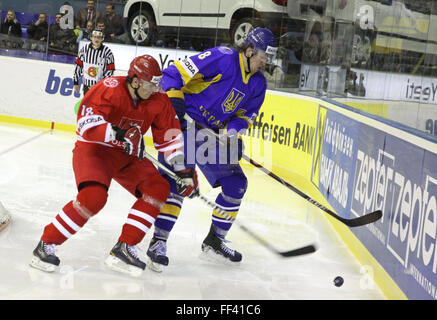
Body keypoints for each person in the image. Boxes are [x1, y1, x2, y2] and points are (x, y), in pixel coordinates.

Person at [29, 54, 199, 276]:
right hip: (95, 151)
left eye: (158, 84)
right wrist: (121, 134)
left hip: (126, 157)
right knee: (93, 198)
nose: (156, 89)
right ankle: (46, 244)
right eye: (151, 84)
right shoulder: (109, 88)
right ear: (136, 81)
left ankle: (125, 246)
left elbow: (170, 139)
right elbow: (86, 125)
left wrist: (183, 171)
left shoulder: (158, 100)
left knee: (158, 188)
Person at [146, 27, 278, 271]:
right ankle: (158, 241)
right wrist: (175, 102)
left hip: (212, 135)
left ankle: (215, 240)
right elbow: (172, 72)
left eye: (268, 57)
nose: (266, 61)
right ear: (249, 51)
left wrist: (233, 133)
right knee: (179, 181)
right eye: (263, 56)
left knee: (235, 184)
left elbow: (244, 116)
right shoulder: (223, 58)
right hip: (183, 125)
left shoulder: (258, 83)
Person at [73, 28, 114, 96]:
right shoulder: (84, 49)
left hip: (100, 88)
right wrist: (75, 82)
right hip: (86, 86)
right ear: (91, 37)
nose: (96, 39)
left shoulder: (107, 52)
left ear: (102, 39)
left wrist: (103, 85)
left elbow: (110, 70)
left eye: (99, 37)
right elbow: (78, 66)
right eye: (94, 37)